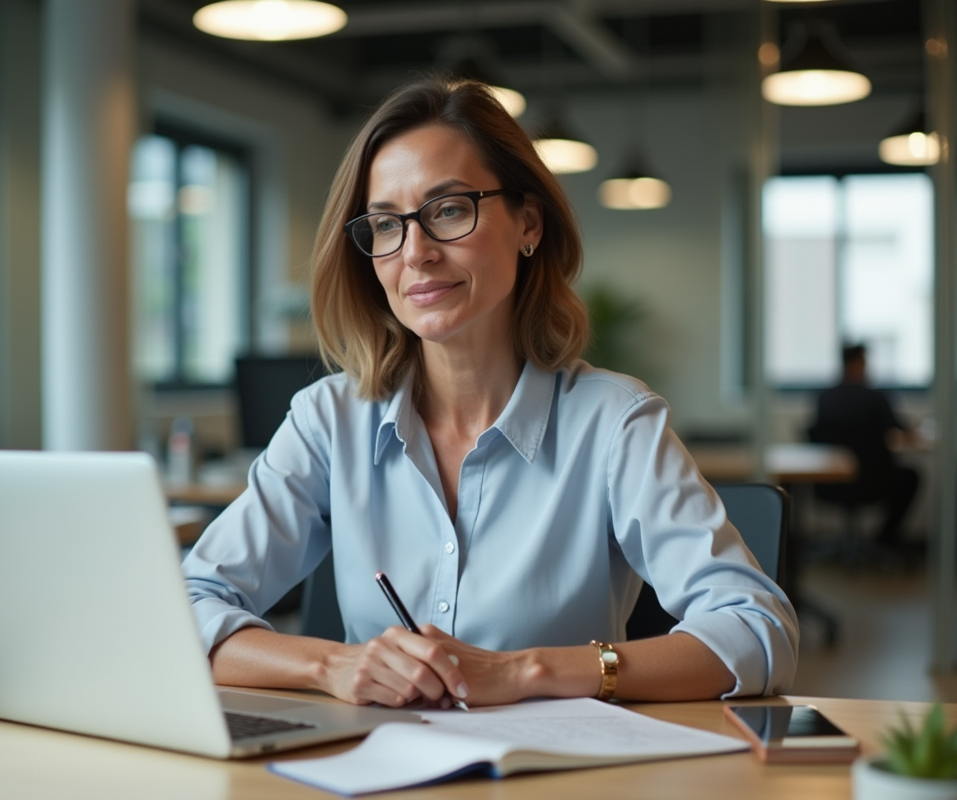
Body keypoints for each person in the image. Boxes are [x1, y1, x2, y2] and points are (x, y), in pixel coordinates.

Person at [182, 77, 798, 709]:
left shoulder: (614, 423)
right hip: (376, 758)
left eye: (449, 210)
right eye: (387, 224)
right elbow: (186, 606)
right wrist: (333, 665)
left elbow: (757, 627)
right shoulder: (329, 420)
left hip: (552, 760)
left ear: (528, 222)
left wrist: (525, 672)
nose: (415, 253)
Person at [809, 344, 920, 549]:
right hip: (872, 482)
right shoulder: (875, 398)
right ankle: (885, 540)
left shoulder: (824, 398)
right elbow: (901, 431)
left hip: (830, 483)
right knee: (911, 477)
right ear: (858, 363)